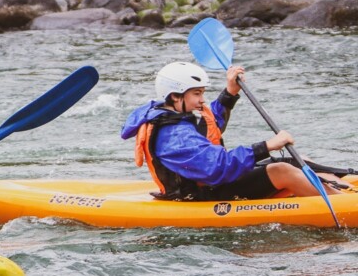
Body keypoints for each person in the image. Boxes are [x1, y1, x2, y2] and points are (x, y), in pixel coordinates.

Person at [121, 60, 346, 201]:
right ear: (175, 96)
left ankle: (341, 192)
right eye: (197, 94)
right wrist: (266, 146)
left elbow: (210, 127)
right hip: (201, 195)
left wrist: (230, 93)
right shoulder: (174, 137)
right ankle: (343, 205)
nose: (202, 99)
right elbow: (219, 166)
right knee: (281, 170)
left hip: (213, 182)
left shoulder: (177, 116)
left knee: (297, 160)